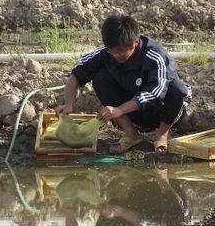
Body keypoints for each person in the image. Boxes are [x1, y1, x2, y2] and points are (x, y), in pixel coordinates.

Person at [56, 15, 191, 154]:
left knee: (177, 89)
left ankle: (162, 135)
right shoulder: (106, 53)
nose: (115, 55)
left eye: (120, 51)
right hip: (133, 111)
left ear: (136, 43)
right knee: (100, 78)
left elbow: (155, 92)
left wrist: (119, 109)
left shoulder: (155, 55)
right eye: (111, 50)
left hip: (162, 111)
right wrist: (69, 103)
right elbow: (76, 75)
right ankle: (131, 134)